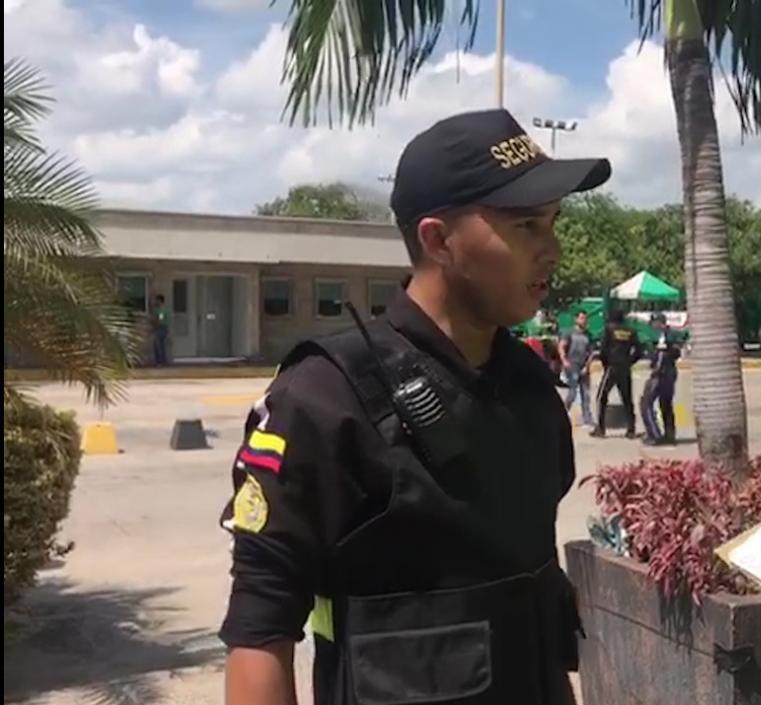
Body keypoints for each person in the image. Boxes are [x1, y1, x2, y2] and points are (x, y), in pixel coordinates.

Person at [218, 109, 611, 705]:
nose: (551, 249)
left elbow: (534, 596)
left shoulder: (531, 388)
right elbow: (260, 629)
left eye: (553, 223)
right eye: (526, 225)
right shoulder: (325, 397)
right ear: (437, 239)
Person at [590, 308, 642, 438]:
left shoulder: (609, 329)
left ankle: (601, 428)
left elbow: (603, 349)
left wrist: (605, 363)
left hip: (612, 367)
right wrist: (630, 361)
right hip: (625, 367)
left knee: (601, 397)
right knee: (627, 399)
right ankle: (631, 429)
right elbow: (639, 350)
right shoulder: (630, 331)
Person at [639, 312, 681, 446]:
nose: (652, 326)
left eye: (653, 323)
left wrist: (656, 371)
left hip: (661, 374)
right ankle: (670, 435)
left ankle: (654, 434)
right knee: (666, 404)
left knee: (646, 403)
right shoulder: (672, 334)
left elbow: (662, 356)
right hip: (671, 373)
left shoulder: (664, 336)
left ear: (659, 322)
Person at [559, 310, 595, 427]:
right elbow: (562, 346)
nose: (583, 321)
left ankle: (587, 419)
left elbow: (591, 353)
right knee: (573, 392)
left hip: (583, 366)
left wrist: (587, 366)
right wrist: (564, 361)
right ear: (576, 319)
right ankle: (562, 415)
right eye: (581, 318)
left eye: (585, 318)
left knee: (586, 394)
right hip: (572, 365)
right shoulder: (569, 332)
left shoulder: (588, 335)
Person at [151, 294, 171, 366]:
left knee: (159, 345)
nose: (155, 302)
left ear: (160, 301)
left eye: (157, 300)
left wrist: (154, 321)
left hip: (161, 328)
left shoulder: (162, 310)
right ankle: (160, 361)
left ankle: (161, 361)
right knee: (158, 345)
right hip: (158, 328)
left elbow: (160, 320)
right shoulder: (157, 309)